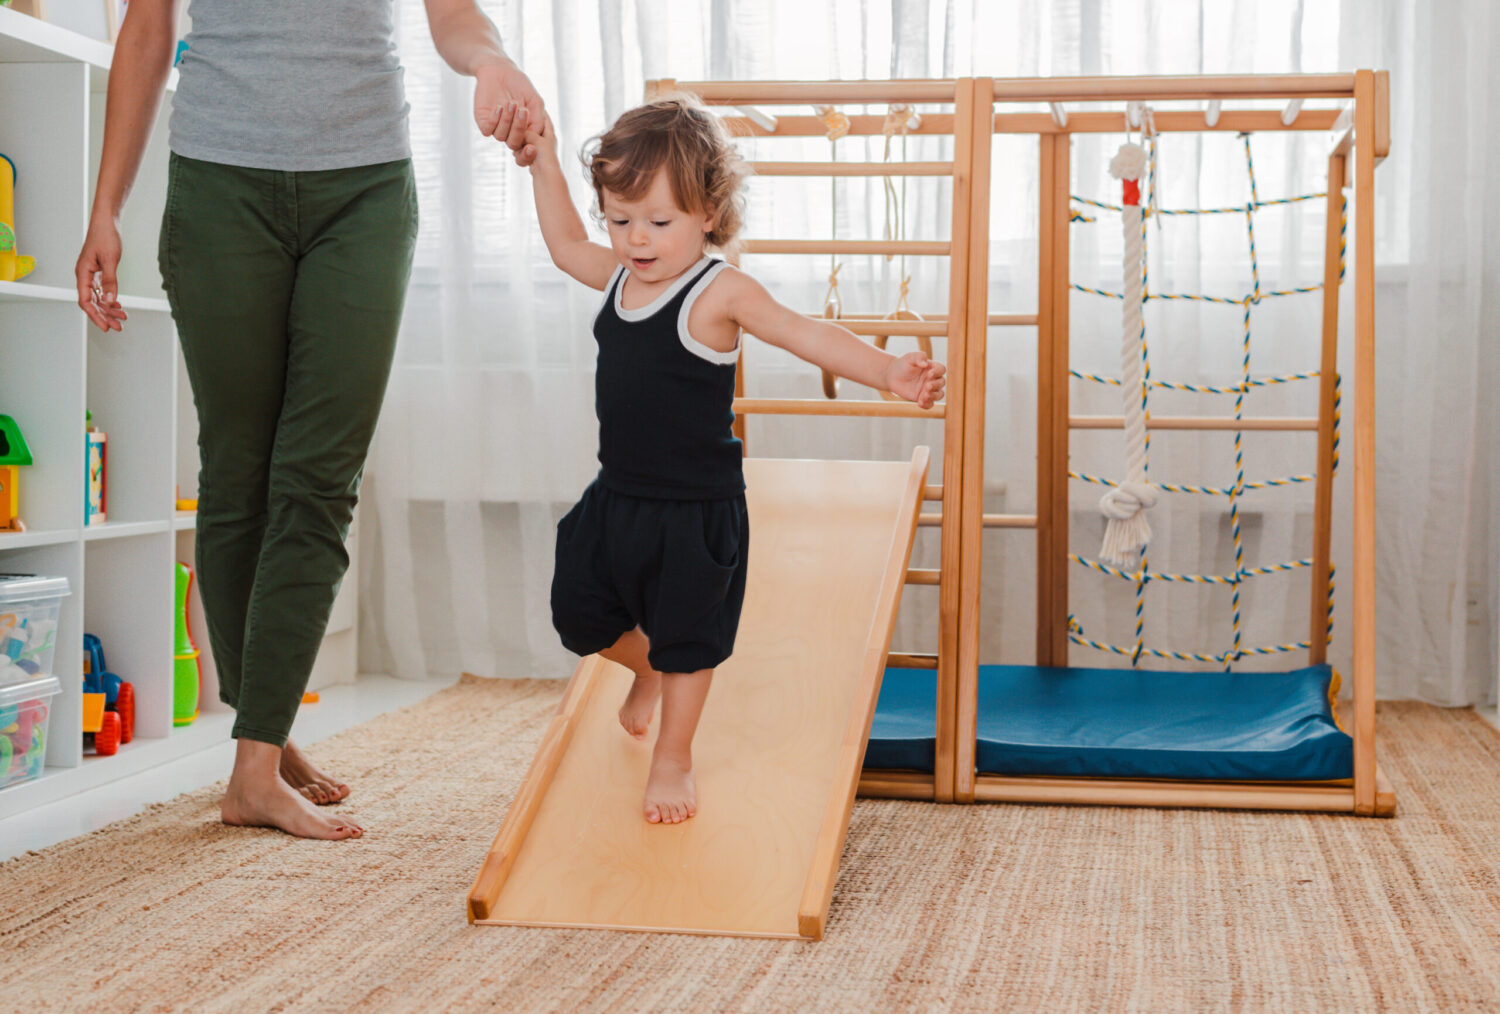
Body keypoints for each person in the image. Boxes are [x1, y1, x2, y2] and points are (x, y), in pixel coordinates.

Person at [73, 0, 545, 841]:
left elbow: (457, 15)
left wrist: (491, 63)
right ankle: (268, 727)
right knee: (238, 473)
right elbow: (147, 30)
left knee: (319, 478)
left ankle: (252, 764)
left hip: (363, 189)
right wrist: (105, 206)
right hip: (220, 184)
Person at [513, 95, 946, 825]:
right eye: (619, 221)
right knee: (578, 616)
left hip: (695, 509)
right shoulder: (618, 278)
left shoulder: (719, 292)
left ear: (708, 213)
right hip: (617, 496)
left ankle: (674, 757)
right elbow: (561, 244)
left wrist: (887, 372)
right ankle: (645, 670)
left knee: (690, 642)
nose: (636, 240)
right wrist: (542, 159)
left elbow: (806, 333)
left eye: (658, 222)